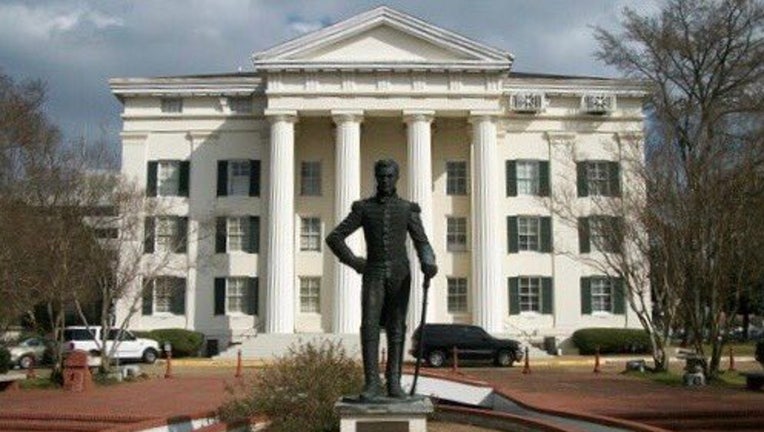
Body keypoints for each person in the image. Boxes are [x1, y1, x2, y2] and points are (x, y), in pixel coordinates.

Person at [326, 159, 437, 401]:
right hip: (373, 272)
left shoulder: (407, 209)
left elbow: (422, 241)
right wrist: (356, 262)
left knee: (397, 328)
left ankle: (394, 382)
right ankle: (372, 383)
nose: (385, 181)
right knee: (369, 325)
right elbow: (334, 237)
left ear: (396, 178)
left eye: (389, 176)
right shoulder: (364, 209)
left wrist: (428, 261)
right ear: (376, 178)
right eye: (381, 176)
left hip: (400, 273)